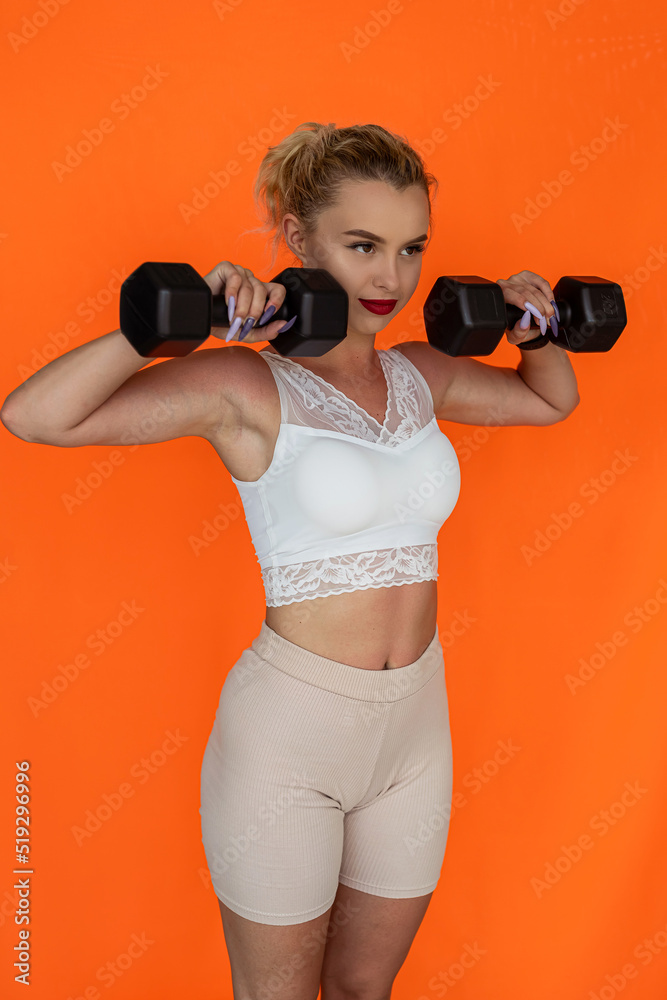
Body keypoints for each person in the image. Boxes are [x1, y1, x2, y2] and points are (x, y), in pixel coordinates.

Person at [0, 121, 579, 1000]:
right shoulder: (242, 387)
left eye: (410, 248)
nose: (390, 278)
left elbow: (550, 402)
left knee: (362, 992)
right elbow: (34, 416)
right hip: (290, 736)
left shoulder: (424, 376)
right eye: (362, 246)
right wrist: (176, 318)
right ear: (300, 240)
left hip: (416, 725)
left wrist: (535, 324)